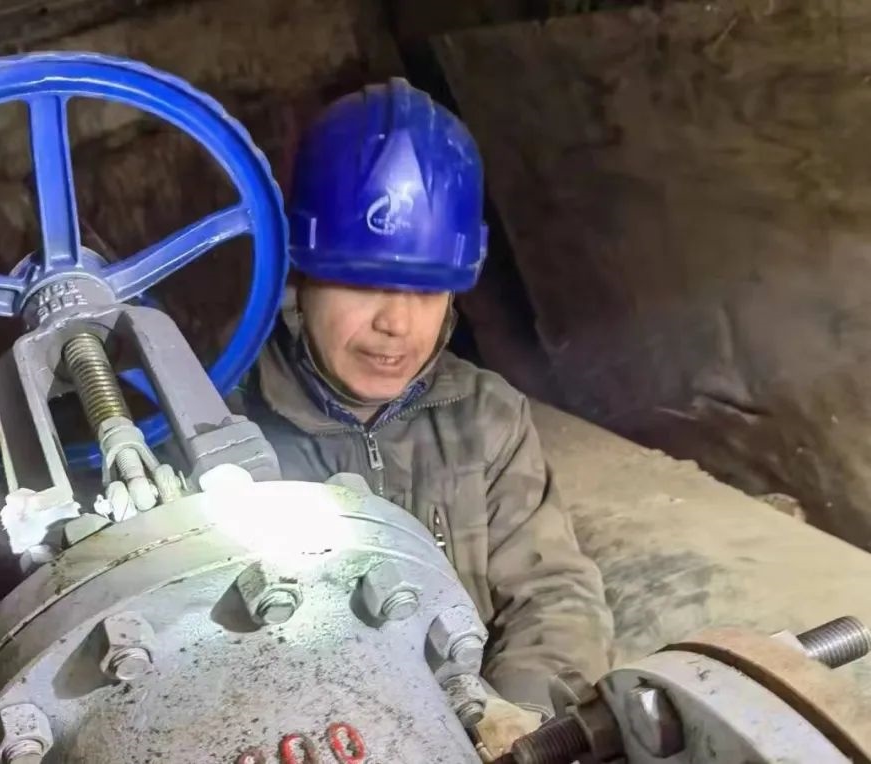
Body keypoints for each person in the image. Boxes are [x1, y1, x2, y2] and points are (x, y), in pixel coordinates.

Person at [239, 78, 614, 749]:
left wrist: (520, 725)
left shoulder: (486, 418)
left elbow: (553, 592)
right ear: (302, 270)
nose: (396, 324)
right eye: (362, 281)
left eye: (426, 289)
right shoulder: (225, 432)